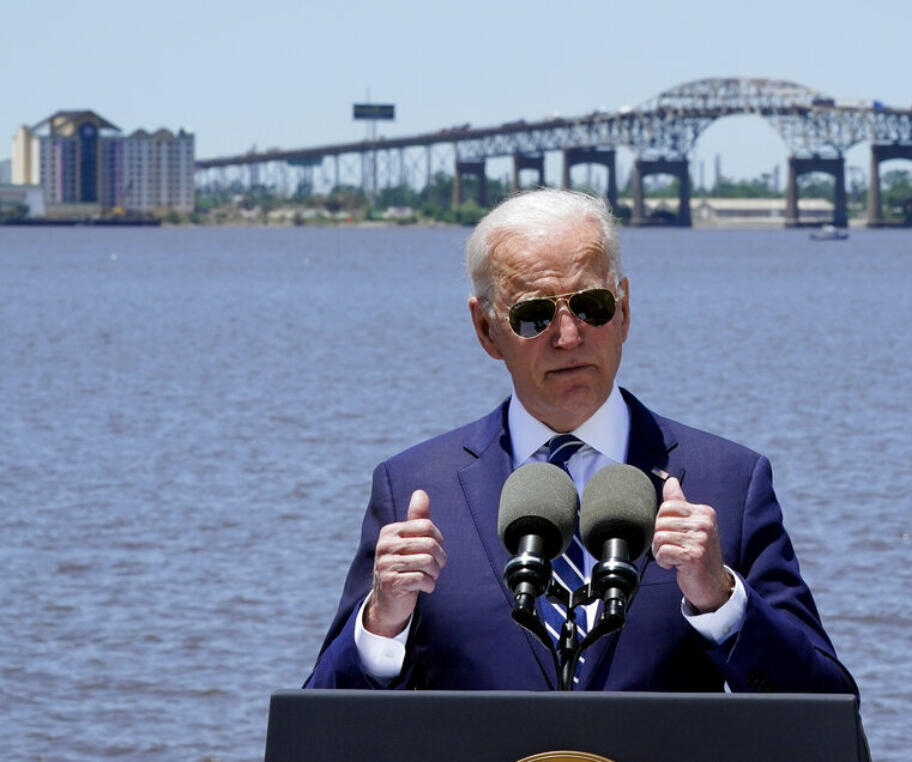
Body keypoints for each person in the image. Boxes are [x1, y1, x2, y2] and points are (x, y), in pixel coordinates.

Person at [305, 188, 859, 697]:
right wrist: (382, 624)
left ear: (624, 309)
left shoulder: (729, 484)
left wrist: (722, 600)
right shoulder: (413, 491)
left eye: (591, 307)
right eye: (533, 316)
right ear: (487, 330)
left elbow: (828, 710)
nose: (569, 337)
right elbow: (319, 732)